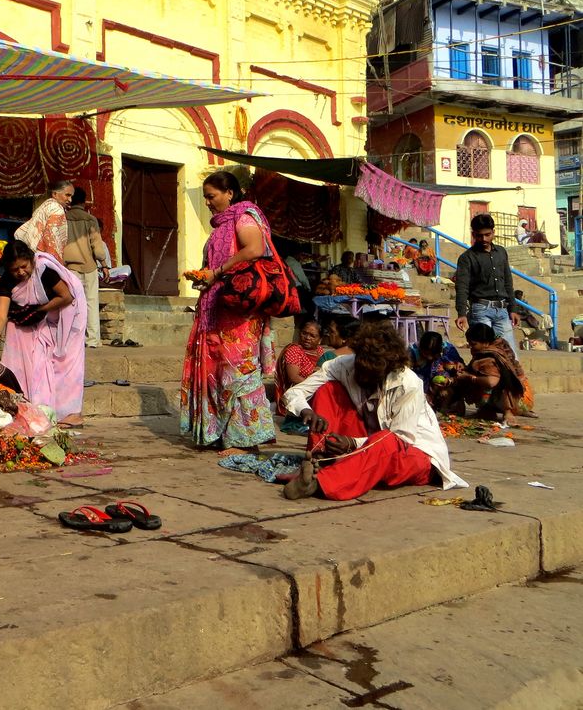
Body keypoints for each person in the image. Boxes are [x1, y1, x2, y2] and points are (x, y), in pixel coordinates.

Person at [281, 321, 467, 501]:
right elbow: (295, 392)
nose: (363, 379)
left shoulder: (408, 383)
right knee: (328, 390)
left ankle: (318, 483)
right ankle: (319, 459)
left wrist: (352, 443)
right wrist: (306, 409)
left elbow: (401, 438)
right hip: (366, 443)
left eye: (370, 376)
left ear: (387, 370)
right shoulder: (344, 365)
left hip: (415, 455)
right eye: (360, 371)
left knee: (386, 440)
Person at [180, 170, 277, 454]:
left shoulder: (244, 216)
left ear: (230, 193)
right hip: (216, 307)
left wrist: (218, 271)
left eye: (212, 196)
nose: (208, 202)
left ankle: (247, 440)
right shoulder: (219, 227)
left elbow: (255, 248)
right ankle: (222, 433)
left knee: (239, 372)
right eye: (205, 197)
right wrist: (204, 278)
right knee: (219, 372)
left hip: (239, 312)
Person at [0, 239, 86, 427]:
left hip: (68, 313)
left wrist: (39, 310)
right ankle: (30, 405)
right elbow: (1, 314)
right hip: (42, 317)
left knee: (66, 363)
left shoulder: (44, 271)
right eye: (15, 270)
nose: (21, 272)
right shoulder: (7, 280)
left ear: (31, 260)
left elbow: (66, 296)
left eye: (24, 266)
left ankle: (70, 413)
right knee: (25, 344)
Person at [455, 213, 519, 355]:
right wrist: (461, 313)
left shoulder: (501, 253)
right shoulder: (467, 258)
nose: (484, 239)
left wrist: (513, 308)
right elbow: (462, 287)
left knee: (510, 355)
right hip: (480, 310)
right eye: (479, 236)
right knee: (484, 353)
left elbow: (508, 282)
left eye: (487, 235)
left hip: (502, 310)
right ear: (473, 235)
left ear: (493, 232)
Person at [454, 323, 535, 425]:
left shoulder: (489, 357)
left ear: (485, 342)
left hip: (517, 398)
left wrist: (469, 377)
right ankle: (488, 411)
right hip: (521, 395)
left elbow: (491, 381)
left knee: (476, 381)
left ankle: (507, 412)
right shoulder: (497, 345)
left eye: (473, 344)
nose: (471, 347)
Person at [63, 186, 107, 348]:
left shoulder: (63, 218)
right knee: (91, 302)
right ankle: (93, 339)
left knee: (71, 304)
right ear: (83, 201)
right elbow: (97, 246)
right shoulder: (90, 219)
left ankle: (72, 340)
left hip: (69, 268)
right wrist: (104, 265)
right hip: (89, 267)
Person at [275, 320, 335, 434]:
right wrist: (316, 386)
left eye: (312, 336)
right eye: (304, 333)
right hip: (300, 389)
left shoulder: (320, 351)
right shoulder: (294, 350)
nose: (307, 338)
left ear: (320, 339)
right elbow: (293, 377)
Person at [14, 179, 73, 260]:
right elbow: (51, 238)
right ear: (55, 194)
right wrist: (55, 262)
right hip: (44, 257)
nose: (70, 200)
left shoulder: (46, 205)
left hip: (32, 254)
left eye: (71, 196)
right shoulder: (57, 209)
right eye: (67, 195)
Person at [408, 331, 465, 413]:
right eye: (426, 354)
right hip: (422, 385)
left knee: (447, 394)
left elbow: (460, 371)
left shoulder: (448, 350)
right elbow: (406, 373)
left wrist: (450, 380)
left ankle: (447, 407)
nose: (430, 358)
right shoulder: (413, 351)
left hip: (446, 385)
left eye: (433, 355)